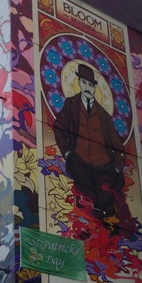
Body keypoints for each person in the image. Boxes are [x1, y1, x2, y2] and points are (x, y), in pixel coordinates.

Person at [53, 63, 126, 220]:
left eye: (91, 85)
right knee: (86, 203)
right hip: (80, 162)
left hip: (104, 167)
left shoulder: (104, 116)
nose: (87, 88)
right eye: (84, 83)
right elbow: (59, 128)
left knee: (106, 206)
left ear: (95, 88)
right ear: (79, 83)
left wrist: (117, 167)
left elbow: (117, 143)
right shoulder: (71, 105)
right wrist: (67, 153)